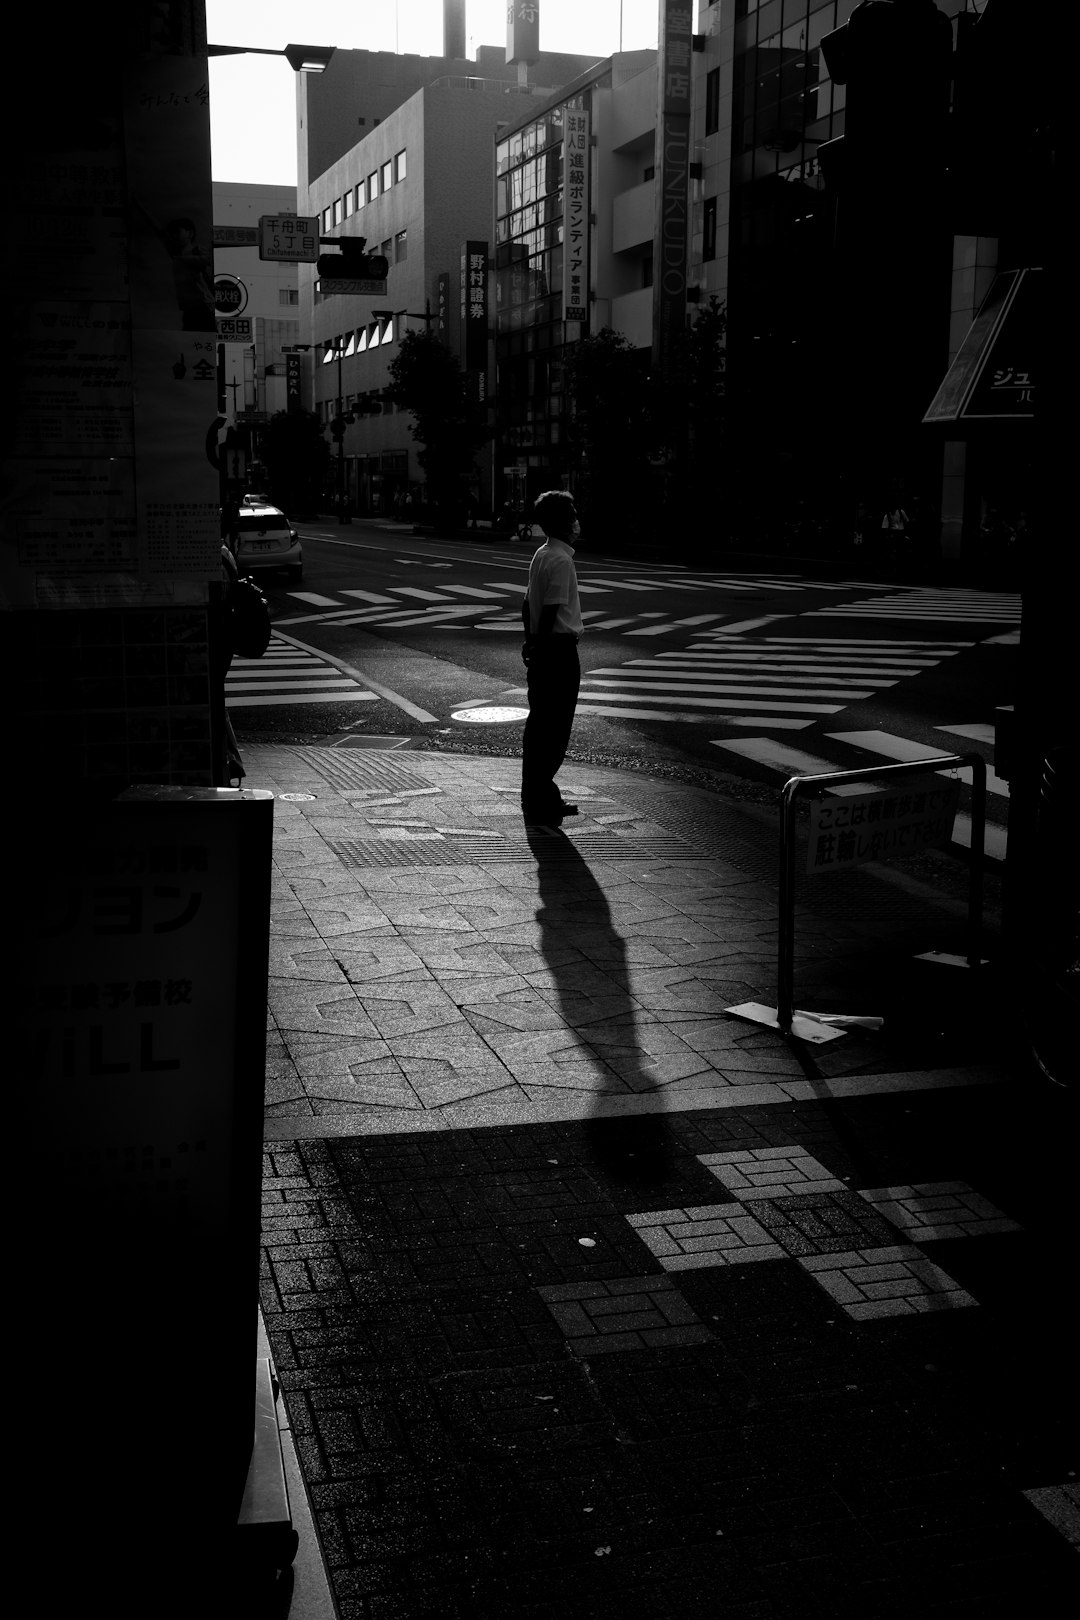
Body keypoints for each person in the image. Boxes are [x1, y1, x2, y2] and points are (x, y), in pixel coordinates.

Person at [520, 491, 583, 824]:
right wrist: (540, 645)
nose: (576, 518)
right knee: (555, 729)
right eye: (571, 511)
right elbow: (549, 609)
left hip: (544, 650)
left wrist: (530, 643)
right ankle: (541, 797)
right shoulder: (560, 560)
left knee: (540, 726)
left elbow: (526, 603)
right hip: (558, 652)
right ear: (560, 520)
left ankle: (535, 795)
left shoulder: (542, 555)